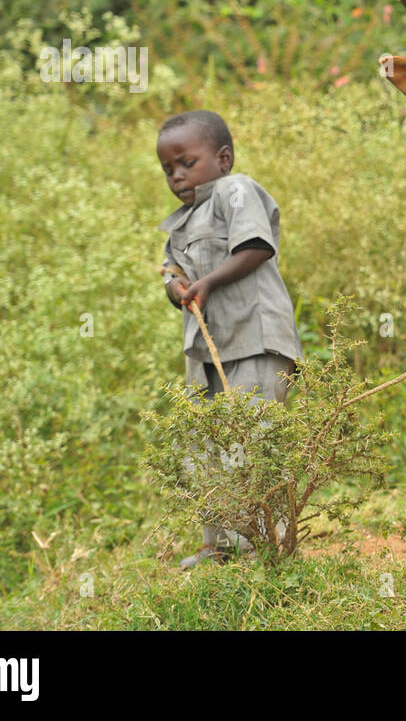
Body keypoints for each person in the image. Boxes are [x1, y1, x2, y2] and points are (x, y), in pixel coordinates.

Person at [156, 110, 303, 569]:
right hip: (207, 352)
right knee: (207, 444)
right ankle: (218, 546)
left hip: (256, 341)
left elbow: (257, 247)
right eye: (168, 169)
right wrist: (176, 286)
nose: (177, 175)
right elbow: (171, 271)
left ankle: (268, 548)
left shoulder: (235, 189)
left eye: (186, 162)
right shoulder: (179, 222)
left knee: (257, 441)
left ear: (223, 158)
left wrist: (209, 282)